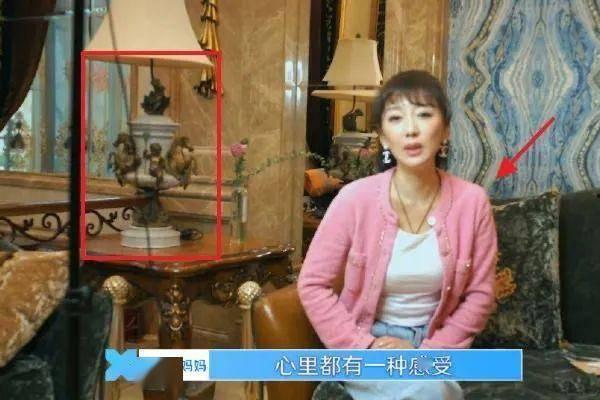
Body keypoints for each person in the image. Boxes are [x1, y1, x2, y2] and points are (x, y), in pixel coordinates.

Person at [297, 70, 498, 399]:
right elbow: (312, 284)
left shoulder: (472, 202)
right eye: (396, 118)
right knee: (432, 392)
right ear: (384, 136)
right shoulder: (354, 199)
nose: (411, 129)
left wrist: (428, 354)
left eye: (424, 114)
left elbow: (480, 295)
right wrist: (363, 347)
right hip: (367, 341)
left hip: (436, 341)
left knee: (432, 388)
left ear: (445, 129)